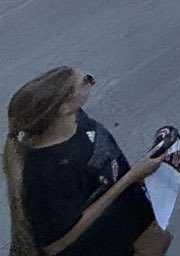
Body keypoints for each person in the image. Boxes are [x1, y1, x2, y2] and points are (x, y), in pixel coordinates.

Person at [5, 66, 169, 256]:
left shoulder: (75, 119)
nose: (93, 82)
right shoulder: (48, 170)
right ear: (63, 107)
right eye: (86, 80)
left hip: (132, 224)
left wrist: (135, 176)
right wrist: (131, 177)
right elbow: (55, 245)